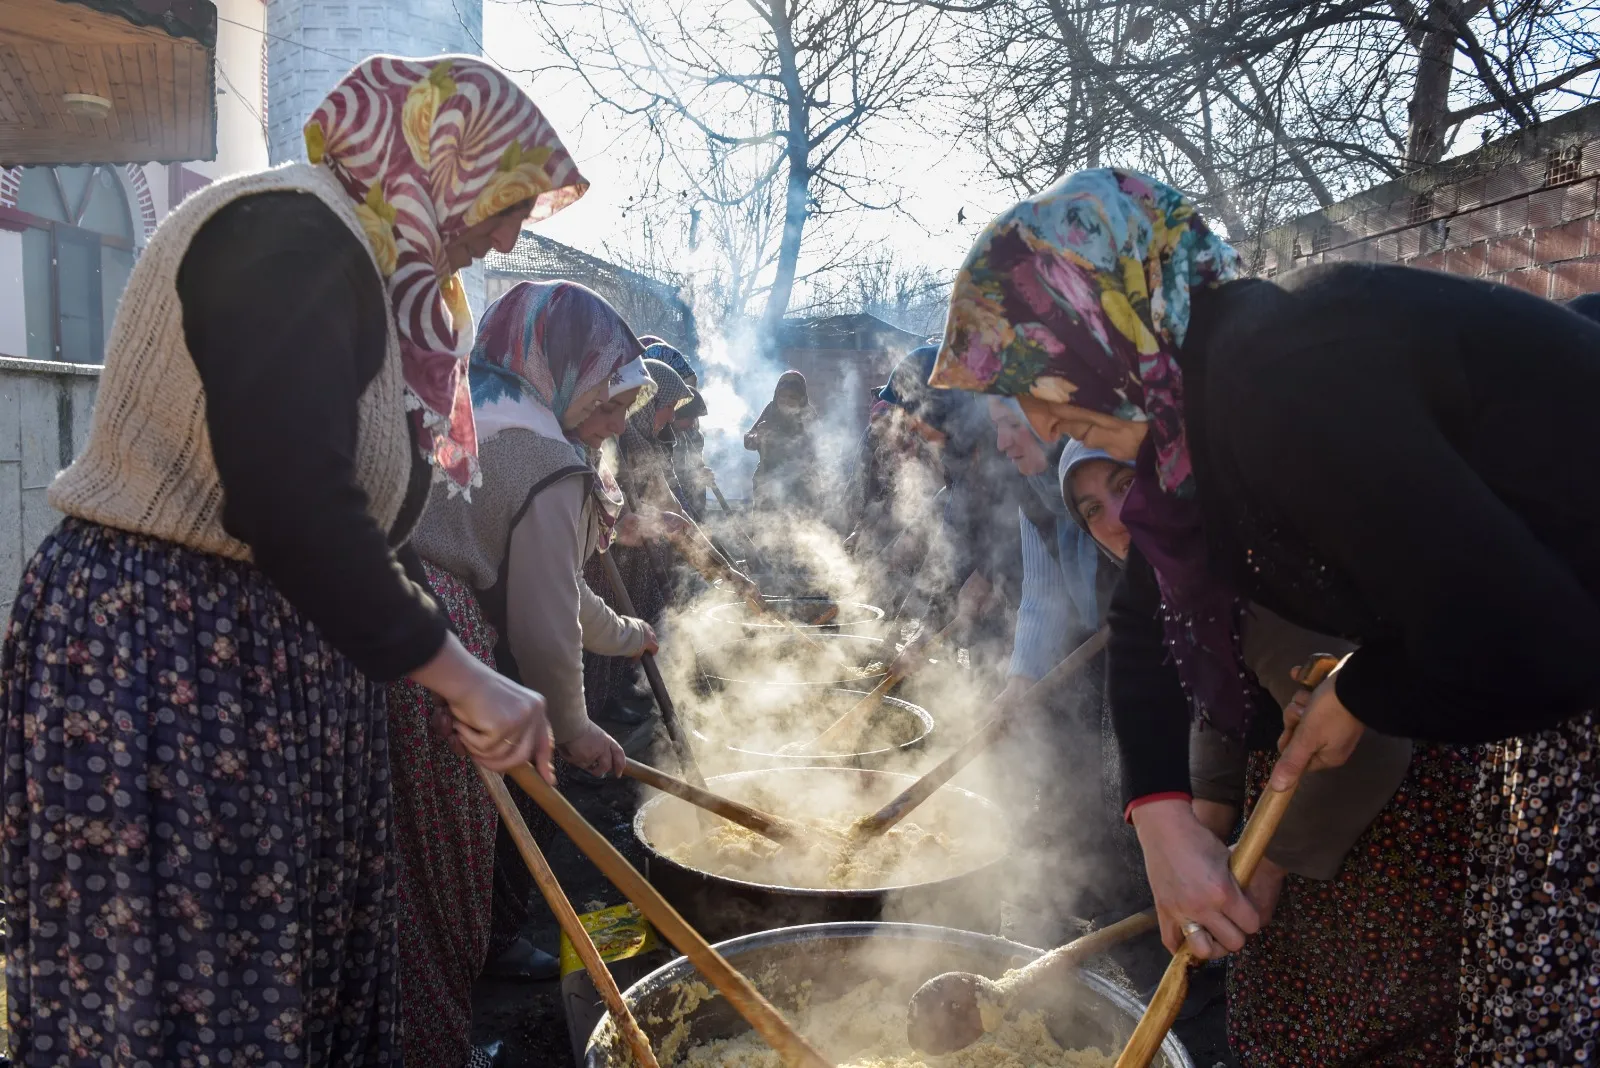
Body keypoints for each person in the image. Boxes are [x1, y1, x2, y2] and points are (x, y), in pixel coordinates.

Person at [929, 167, 1597, 1065]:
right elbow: (1141, 624)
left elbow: (1533, 639)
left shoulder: (1282, 383)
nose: (1045, 427)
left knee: (1525, 1025)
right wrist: (1160, 815)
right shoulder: (1195, 427)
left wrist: (1362, 692)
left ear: (1103, 325)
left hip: (1561, 690)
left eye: (1037, 382)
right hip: (1533, 664)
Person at [0, 55, 579, 1064]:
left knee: (280, 997)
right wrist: (463, 674)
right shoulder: (291, 233)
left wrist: (428, 670)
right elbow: (292, 502)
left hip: (252, 669)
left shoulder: (351, 252)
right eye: (505, 201)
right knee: (196, 1005)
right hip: (171, 668)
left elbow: (346, 516)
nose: (506, 236)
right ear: (442, 159)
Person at [389, 280, 655, 1064]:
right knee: (444, 880)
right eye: (608, 405)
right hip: (441, 656)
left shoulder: (476, 406)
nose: (611, 428)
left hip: (387, 629)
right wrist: (574, 729)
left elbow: (557, 588)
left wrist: (626, 634)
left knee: (394, 876)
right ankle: (437, 1046)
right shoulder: (548, 458)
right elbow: (545, 621)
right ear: (562, 369)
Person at [744, 370, 819, 513]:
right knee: (766, 528)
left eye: (792, 397)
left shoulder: (809, 417)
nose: (786, 401)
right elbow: (748, 440)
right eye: (782, 396)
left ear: (801, 399)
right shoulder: (771, 411)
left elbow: (811, 454)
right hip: (767, 483)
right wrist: (757, 437)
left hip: (799, 488)